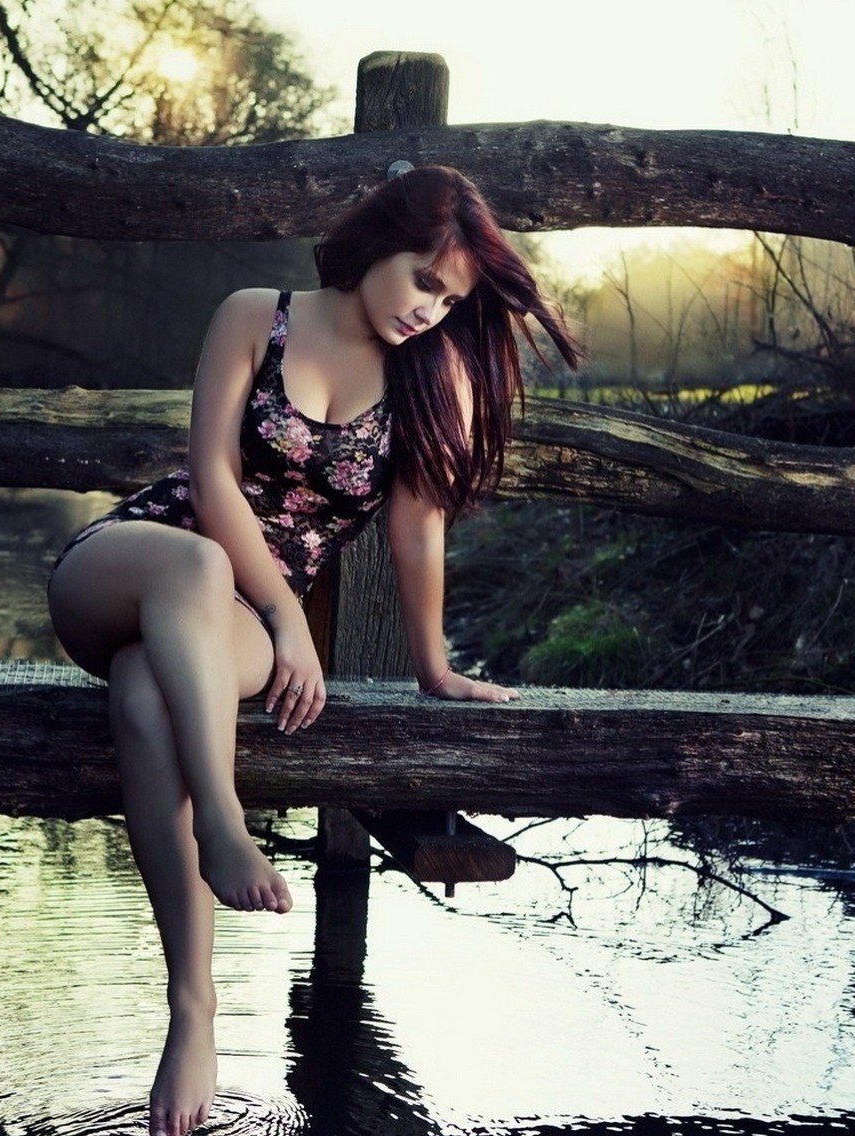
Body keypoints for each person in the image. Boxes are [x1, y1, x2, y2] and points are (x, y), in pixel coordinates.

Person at [44, 164, 581, 1135]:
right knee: (198, 569)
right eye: (425, 278)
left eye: (451, 298)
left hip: (225, 635)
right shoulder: (258, 313)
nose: (431, 309)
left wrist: (434, 667)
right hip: (132, 565)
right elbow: (209, 474)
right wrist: (292, 621)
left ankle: (192, 1012)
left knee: (140, 693)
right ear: (381, 241)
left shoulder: (433, 379)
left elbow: (418, 532)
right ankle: (223, 819)